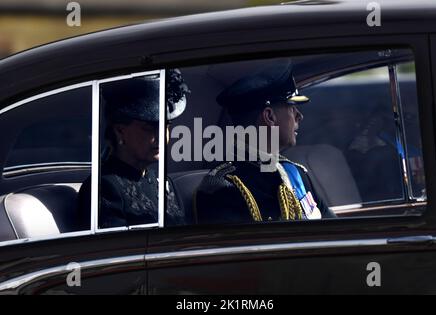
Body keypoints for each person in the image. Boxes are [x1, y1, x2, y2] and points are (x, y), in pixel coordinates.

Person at [195, 61, 336, 224]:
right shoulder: (222, 187)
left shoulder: (295, 173)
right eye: (292, 108)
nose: (299, 116)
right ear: (269, 116)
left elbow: (330, 229)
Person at [78, 69, 190, 229]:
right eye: (148, 128)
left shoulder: (163, 182)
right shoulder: (103, 188)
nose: (161, 137)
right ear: (120, 131)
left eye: (165, 126)